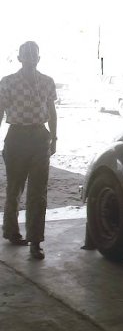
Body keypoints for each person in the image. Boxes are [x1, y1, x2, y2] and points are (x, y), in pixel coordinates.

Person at [0, 41, 57, 260]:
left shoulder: (47, 82)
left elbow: (51, 112)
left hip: (40, 138)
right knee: (14, 188)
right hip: (15, 137)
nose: (30, 59)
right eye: (26, 56)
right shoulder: (7, 82)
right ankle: (12, 232)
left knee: (38, 193)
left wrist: (54, 138)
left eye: (34, 56)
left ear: (39, 59)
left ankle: (35, 242)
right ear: (19, 59)